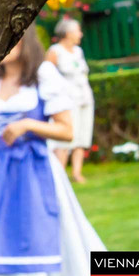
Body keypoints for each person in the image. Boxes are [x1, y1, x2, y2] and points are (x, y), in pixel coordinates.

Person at [0, 27, 105, 276]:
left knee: (42, 242)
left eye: (11, 37)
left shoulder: (43, 74)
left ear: (24, 38)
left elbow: (67, 131)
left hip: (36, 174)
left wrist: (27, 124)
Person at [45, 19, 94, 183]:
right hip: (66, 99)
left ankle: (77, 173)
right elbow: (47, 74)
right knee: (65, 137)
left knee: (82, 135)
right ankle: (59, 175)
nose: (80, 34)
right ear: (67, 33)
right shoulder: (55, 51)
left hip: (84, 97)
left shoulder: (79, 51)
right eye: (78, 31)